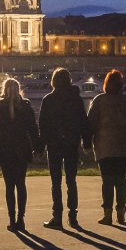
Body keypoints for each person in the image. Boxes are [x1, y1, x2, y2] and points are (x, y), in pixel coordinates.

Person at [87, 69, 126, 226]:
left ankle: (107, 214)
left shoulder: (99, 101)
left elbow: (91, 124)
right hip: (123, 146)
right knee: (120, 179)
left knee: (107, 181)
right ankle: (121, 212)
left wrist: (86, 142)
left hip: (104, 146)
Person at [38, 67, 90, 230]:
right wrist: (86, 142)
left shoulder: (48, 99)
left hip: (54, 144)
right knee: (71, 181)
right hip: (71, 143)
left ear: (53, 81)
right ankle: (73, 216)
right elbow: (83, 122)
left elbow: (43, 126)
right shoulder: (76, 99)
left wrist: (39, 147)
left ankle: (57, 216)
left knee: (56, 182)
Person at [0, 78, 40, 232]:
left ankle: (11, 219)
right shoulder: (25, 106)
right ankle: (21, 218)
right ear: (19, 89)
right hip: (22, 149)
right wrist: (37, 149)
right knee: (21, 184)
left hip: (6, 150)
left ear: (4, 90)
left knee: (9, 186)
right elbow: (33, 129)